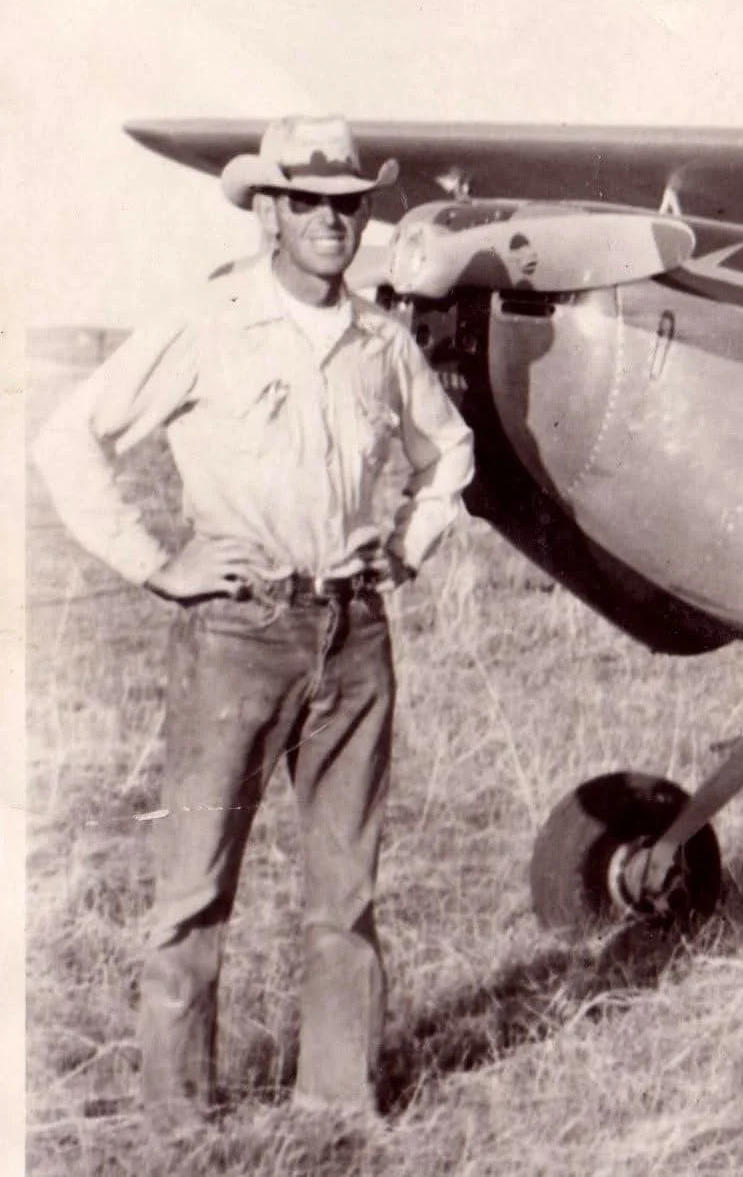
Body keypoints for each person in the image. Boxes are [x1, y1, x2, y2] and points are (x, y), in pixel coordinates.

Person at [33, 115, 475, 1121]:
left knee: (345, 897)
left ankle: (337, 1104)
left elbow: (449, 450)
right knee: (193, 891)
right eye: (312, 201)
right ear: (269, 210)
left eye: (352, 203)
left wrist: (410, 544)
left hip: (354, 637)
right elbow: (70, 439)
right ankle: (181, 1120)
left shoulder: (380, 341)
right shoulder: (209, 323)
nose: (335, 221)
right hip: (234, 635)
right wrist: (159, 562)